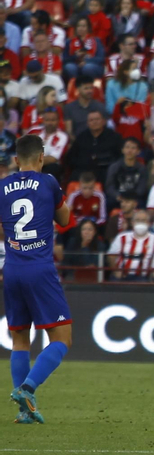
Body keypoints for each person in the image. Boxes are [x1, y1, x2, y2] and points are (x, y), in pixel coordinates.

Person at [1, 134, 74, 423]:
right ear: (42, 157)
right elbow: (66, 219)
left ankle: (24, 413)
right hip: (40, 268)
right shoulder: (48, 183)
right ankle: (27, 390)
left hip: (13, 269)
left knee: (20, 339)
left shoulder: (3, 186)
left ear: (16, 160)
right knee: (62, 338)